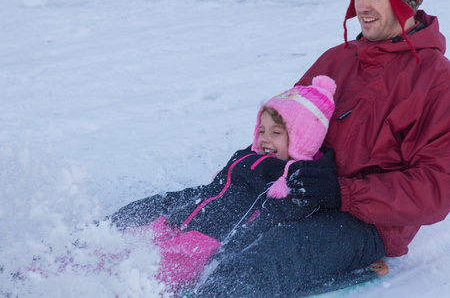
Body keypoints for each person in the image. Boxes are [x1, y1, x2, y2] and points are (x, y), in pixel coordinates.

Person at [192, 0, 450, 297]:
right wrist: (257, 159)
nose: (362, 8)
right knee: (191, 217)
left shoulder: (436, 80)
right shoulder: (337, 59)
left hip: (364, 221)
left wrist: (343, 193)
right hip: (296, 191)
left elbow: (437, 187)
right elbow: (287, 124)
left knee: (259, 262)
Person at [110, 76, 337, 292]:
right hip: (183, 220)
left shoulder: (293, 179)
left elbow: (269, 221)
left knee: (140, 275)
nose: (264, 139)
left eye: (276, 132)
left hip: (203, 245)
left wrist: (227, 254)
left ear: (303, 139)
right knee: (121, 247)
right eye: (261, 130)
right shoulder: (250, 156)